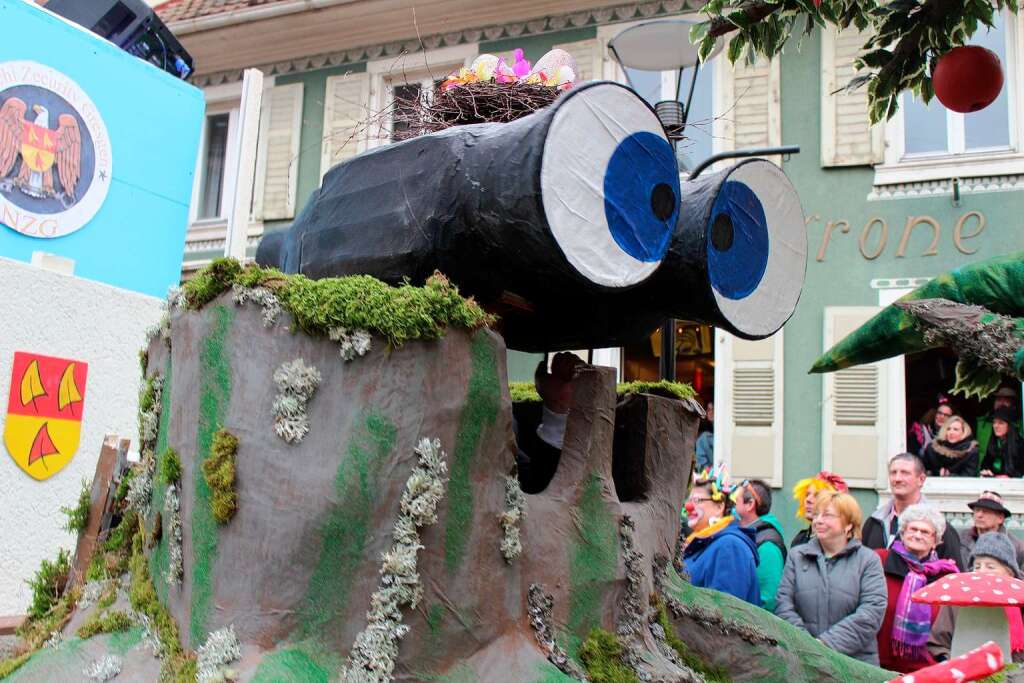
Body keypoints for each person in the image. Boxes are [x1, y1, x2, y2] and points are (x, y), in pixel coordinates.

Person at [775, 491, 888, 664]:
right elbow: (784, 604)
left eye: (827, 515)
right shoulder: (797, 556)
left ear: (848, 525)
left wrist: (824, 645)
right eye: (816, 515)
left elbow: (871, 612)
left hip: (855, 666)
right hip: (803, 662)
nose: (818, 520)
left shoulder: (868, 560)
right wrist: (806, 646)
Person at [874, 504, 958, 673]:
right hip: (878, 665)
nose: (918, 535)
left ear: (936, 541)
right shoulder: (879, 560)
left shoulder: (946, 576)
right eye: (913, 529)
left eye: (925, 532)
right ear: (902, 533)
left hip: (927, 670)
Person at [929, 532, 1024, 664]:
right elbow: (938, 644)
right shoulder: (957, 601)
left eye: (990, 567)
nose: (981, 572)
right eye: (977, 566)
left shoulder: (1020, 602)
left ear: (1009, 573)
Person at [862, 453, 964, 569]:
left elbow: (953, 575)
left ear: (921, 479)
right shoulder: (874, 522)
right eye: (893, 473)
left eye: (905, 473)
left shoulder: (940, 528)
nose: (897, 479)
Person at [680, 465, 761, 605]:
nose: (689, 506)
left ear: (719, 506)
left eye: (697, 500)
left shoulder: (729, 547)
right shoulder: (700, 544)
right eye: (689, 500)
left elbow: (725, 613)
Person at [516, 352, 582, 493]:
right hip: (551, 445)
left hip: (550, 446)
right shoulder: (571, 388)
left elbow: (539, 374)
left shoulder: (553, 386)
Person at [734, 478, 785, 612]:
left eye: (736, 501)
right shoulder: (748, 535)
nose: (731, 506)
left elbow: (767, 599)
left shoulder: (768, 545)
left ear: (750, 504)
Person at [959, 491, 1024, 569]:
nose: (979, 515)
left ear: (1000, 518)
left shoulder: (1016, 546)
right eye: (977, 510)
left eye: (985, 511)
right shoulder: (962, 538)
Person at [790, 471, 848, 547]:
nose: (808, 499)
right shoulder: (799, 539)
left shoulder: (843, 544)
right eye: (807, 494)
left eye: (817, 495)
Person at [976, 386, 1022, 459]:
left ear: (1014, 405)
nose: (1001, 403)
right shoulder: (981, 422)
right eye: (999, 399)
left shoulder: (1021, 424)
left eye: (1006, 401)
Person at [980, 406, 1024, 477]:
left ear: (1010, 426)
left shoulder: (1020, 444)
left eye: (1001, 423)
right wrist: (986, 471)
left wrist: (1010, 477)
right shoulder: (994, 442)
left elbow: (1021, 471)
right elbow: (985, 464)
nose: (996, 426)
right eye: (994, 422)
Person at [695, 401, 714, 472]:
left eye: (713, 409)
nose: (711, 412)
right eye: (709, 409)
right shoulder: (704, 433)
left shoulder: (721, 432)